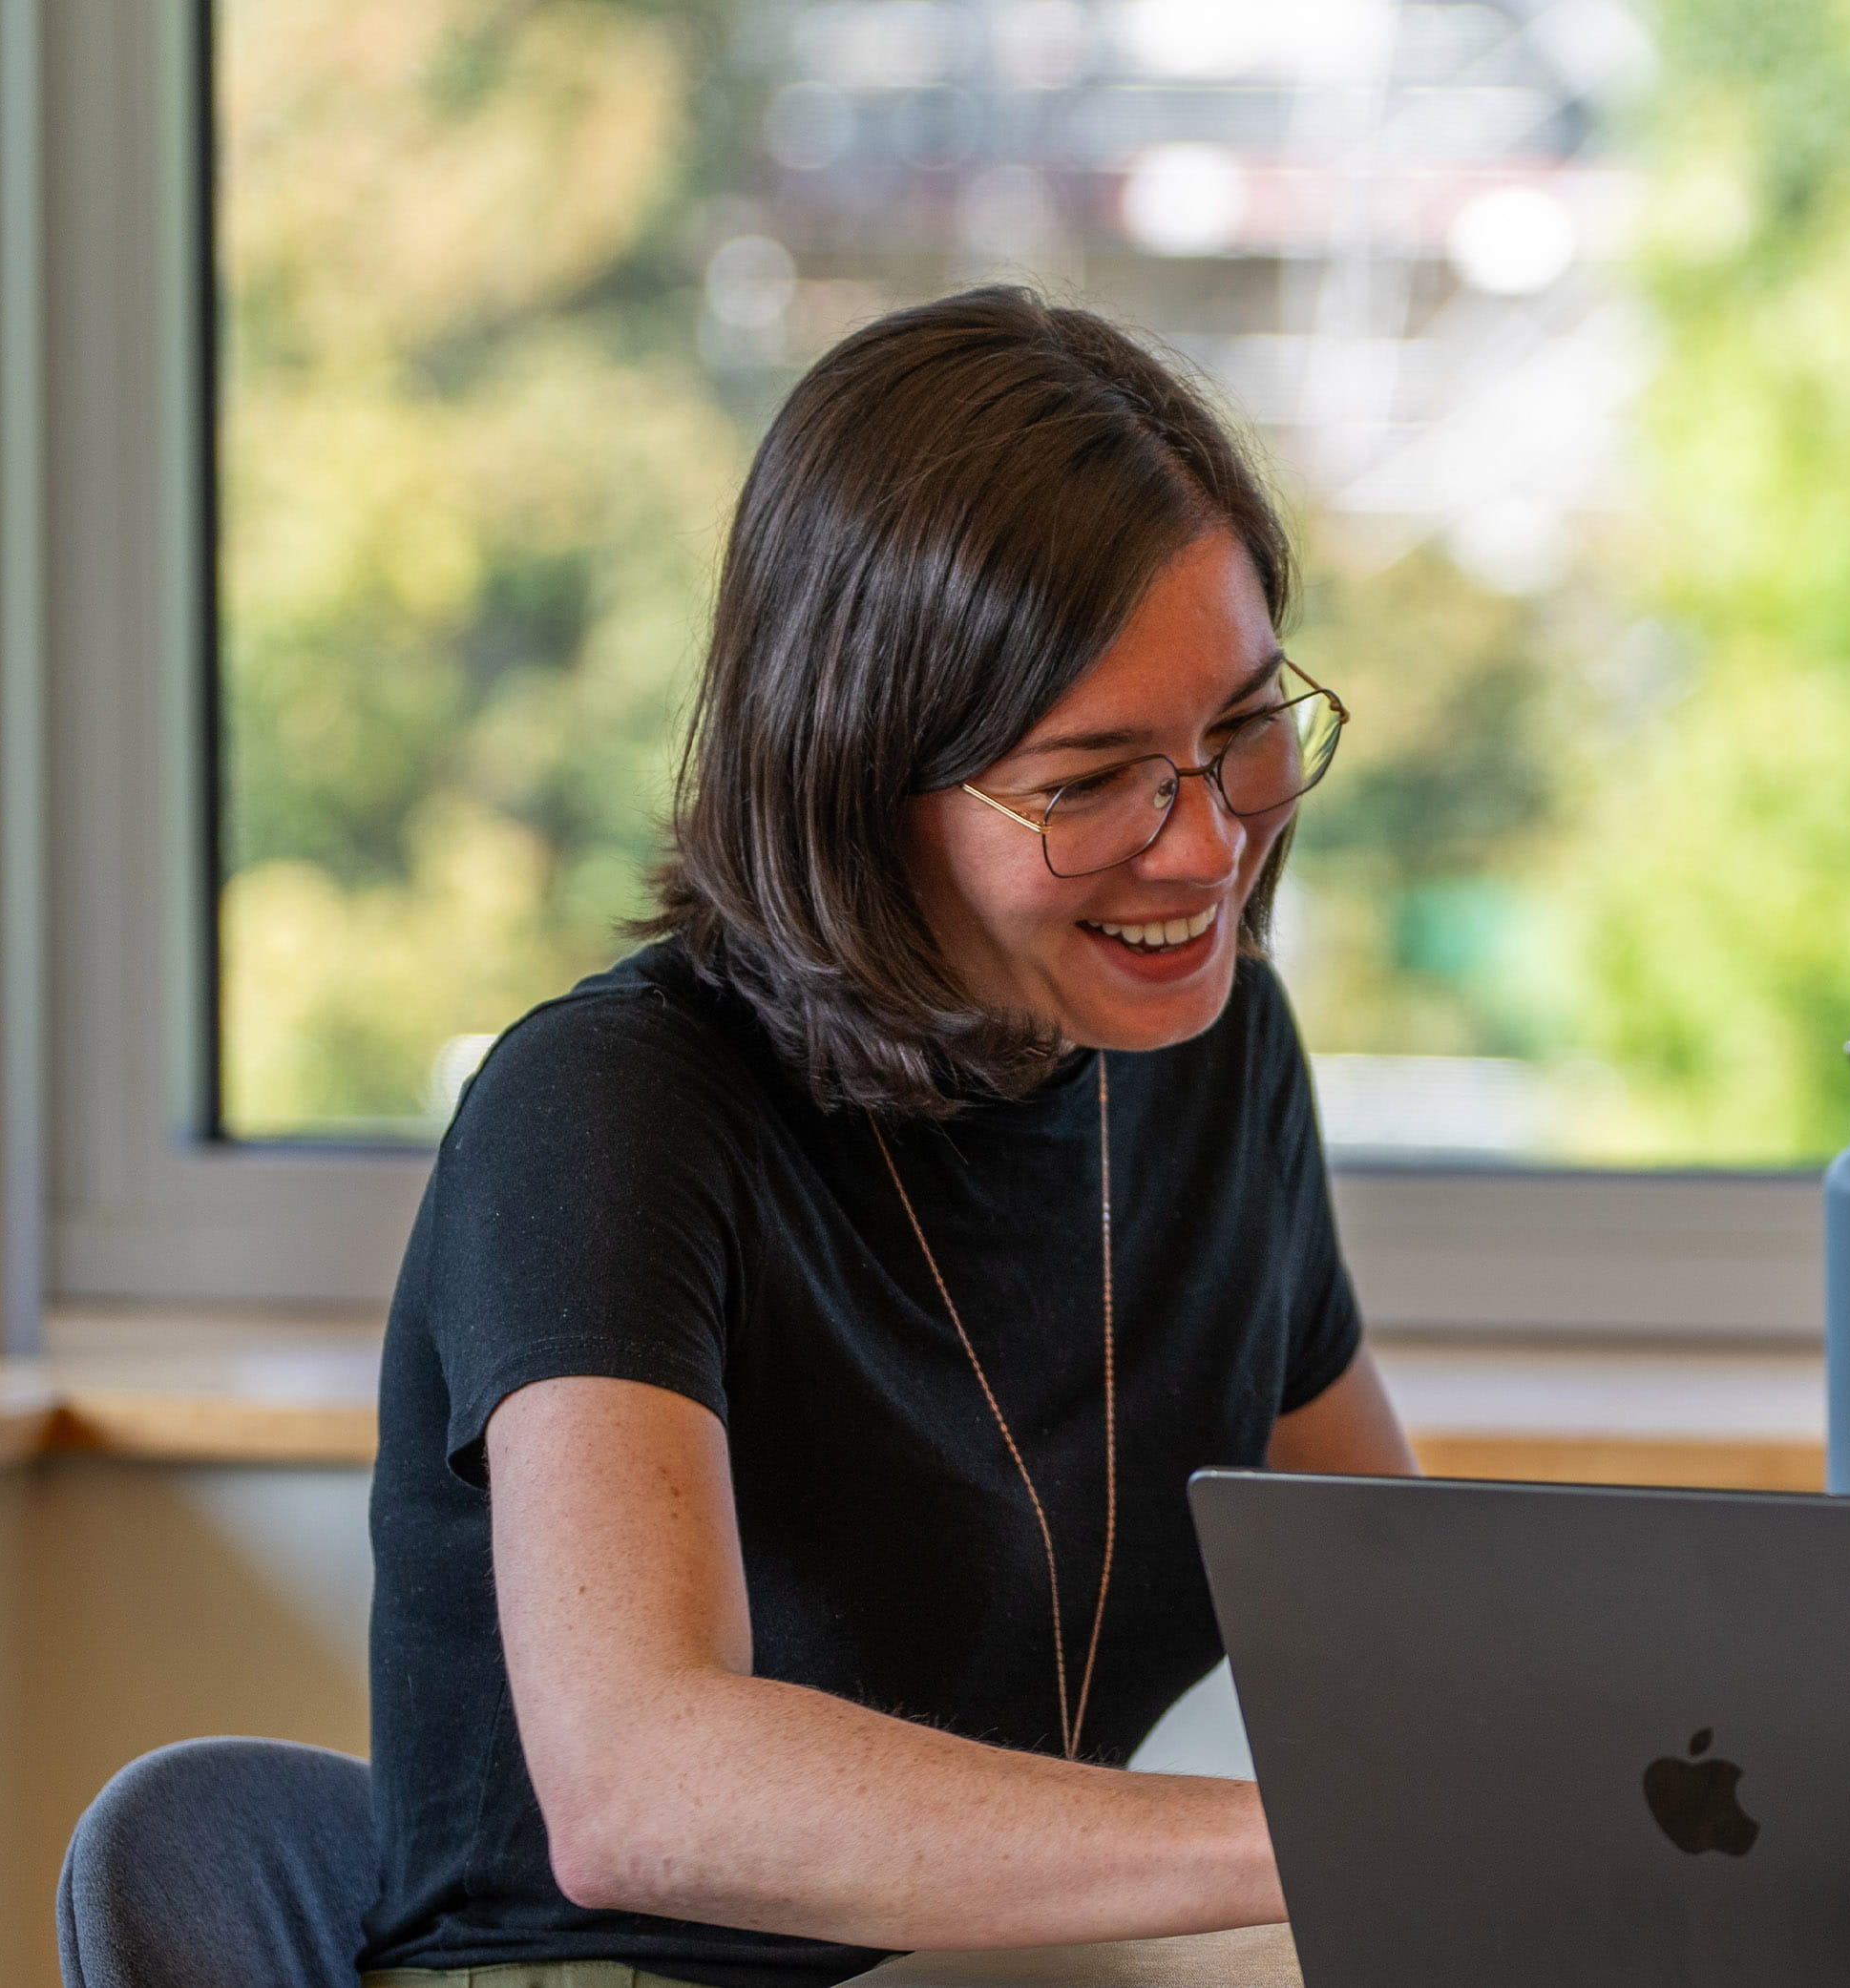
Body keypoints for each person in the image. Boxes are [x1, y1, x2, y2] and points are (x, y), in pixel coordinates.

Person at [356, 287, 1415, 1988]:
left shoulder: (1212, 1067)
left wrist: (1764, 1674)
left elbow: (1400, 1626)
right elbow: (643, 1790)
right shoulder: (612, 1114)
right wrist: (1310, 1842)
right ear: (858, 786)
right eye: (1088, 783)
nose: (1208, 846)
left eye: (1240, 729)